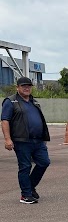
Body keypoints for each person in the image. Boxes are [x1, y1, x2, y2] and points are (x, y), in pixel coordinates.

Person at [2, 76, 51, 204]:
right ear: (17, 87)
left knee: (44, 162)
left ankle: (30, 188)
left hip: (38, 141)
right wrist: (7, 139)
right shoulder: (11, 101)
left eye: (28, 86)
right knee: (25, 166)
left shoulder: (34, 102)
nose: (26, 88)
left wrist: (43, 136)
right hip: (21, 141)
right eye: (23, 86)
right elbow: (5, 120)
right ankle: (25, 195)